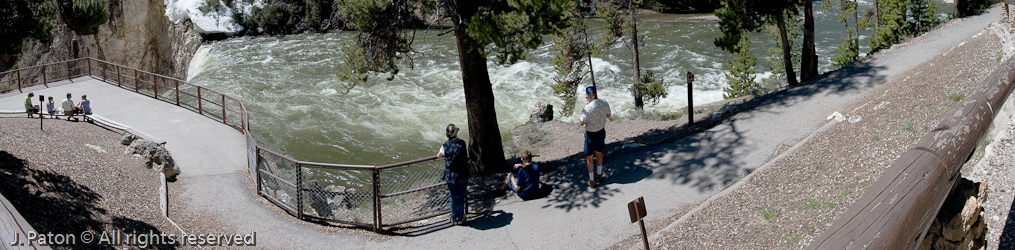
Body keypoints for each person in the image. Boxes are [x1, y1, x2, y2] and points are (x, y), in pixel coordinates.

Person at [437, 124, 470, 225]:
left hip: (451, 175)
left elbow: (438, 156)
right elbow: (466, 152)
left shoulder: (445, 145)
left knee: (453, 196)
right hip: (462, 173)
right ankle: (461, 217)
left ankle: (454, 217)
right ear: (455, 133)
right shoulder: (462, 143)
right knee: (461, 196)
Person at [579, 86, 611, 188]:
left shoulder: (587, 108)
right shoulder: (604, 102)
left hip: (591, 134)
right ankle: (600, 174)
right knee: (599, 153)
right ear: (596, 94)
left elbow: (581, 123)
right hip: (601, 131)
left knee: (589, 157)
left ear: (588, 95)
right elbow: (608, 115)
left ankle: (592, 180)